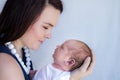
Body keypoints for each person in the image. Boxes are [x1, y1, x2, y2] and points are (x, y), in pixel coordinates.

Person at [0, 0, 95, 80]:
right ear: (23, 18)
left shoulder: (22, 52)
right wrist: (72, 78)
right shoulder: (6, 65)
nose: (49, 36)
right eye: (45, 27)